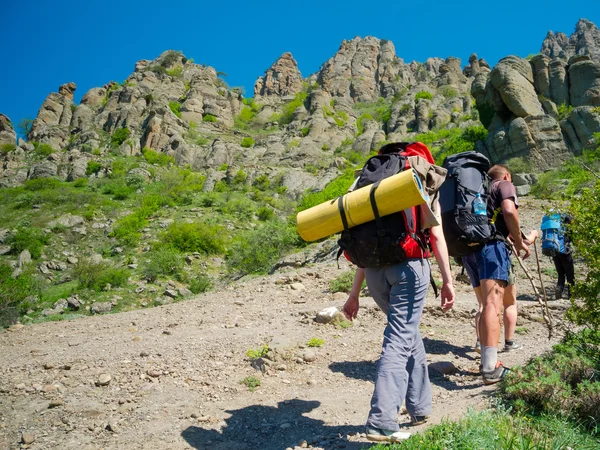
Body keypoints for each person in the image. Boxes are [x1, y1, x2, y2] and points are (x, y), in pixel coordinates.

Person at [342, 221, 455, 442]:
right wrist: (448, 280)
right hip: (408, 268)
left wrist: (354, 293)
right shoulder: (419, 188)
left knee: (406, 330)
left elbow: (368, 243)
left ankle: (419, 406)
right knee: (399, 337)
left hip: (374, 273)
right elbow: (437, 235)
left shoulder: (366, 189)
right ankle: (382, 422)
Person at [477, 164, 530, 385]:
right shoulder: (504, 184)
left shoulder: (480, 191)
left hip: (471, 250)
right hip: (492, 248)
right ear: (507, 175)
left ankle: (485, 357)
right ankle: (490, 368)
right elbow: (509, 211)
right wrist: (520, 242)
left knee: (484, 304)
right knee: (493, 304)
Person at [463, 230, 538, 354]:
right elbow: (525, 240)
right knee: (510, 303)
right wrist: (534, 234)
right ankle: (509, 342)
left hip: (469, 257)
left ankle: (480, 341)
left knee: (483, 304)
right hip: (494, 255)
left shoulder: (470, 214)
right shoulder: (496, 214)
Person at [551, 213, 575, 299]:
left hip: (555, 252)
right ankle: (571, 295)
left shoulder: (556, 230)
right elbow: (573, 240)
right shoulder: (567, 229)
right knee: (570, 274)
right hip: (565, 253)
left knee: (561, 274)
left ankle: (559, 288)